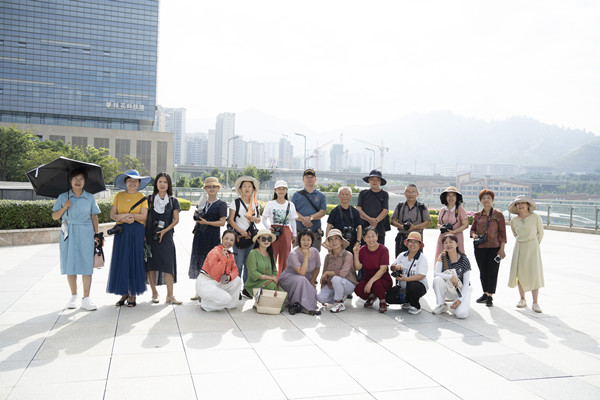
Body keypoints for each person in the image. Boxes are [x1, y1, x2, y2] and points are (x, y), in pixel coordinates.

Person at [51, 167, 101, 311]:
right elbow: (55, 216)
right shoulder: (63, 197)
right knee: (70, 264)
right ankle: (73, 296)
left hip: (86, 232)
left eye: (81, 179)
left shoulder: (90, 197)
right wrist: (64, 207)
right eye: (75, 179)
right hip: (68, 232)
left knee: (87, 264)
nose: (78, 182)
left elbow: (94, 216)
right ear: (70, 181)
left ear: (85, 181)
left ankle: (86, 298)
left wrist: (97, 235)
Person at [107, 169, 150, 307]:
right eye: (130, 180)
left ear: (139, 183)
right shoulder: (118, 196)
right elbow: (112, 214)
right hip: (122, 231)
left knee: (134, 260)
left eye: (135, 181)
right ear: (125, 182)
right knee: (122, 260)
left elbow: (143, 216)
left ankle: (132, 295)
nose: (132, 183)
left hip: (136, 232)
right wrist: (122, 218)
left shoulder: (142, 197)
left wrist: (126, 216)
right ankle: (123, 293)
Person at [145, 172, 182, 305]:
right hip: (150, 236)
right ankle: (154, 293)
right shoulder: (149, 199)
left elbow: (176, 219)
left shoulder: (173, 201)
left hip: (166, 236)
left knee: (168, 264)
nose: (162, 184)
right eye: (160, 181)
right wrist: (144, 235)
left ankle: (170, 295)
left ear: (169, 184)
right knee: (150, 264)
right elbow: (144, 218)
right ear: (156, 183)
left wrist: (165, 230)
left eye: (165, 182)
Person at [189, 177, 228, 300]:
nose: (212, 189)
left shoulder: (221, 204)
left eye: (214, 186)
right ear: (205, 189)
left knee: (212, 264)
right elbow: (196, 216)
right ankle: (199, 291)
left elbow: (222, 222)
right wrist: (196, 216)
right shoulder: (202, 202)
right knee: (200, 263)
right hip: (200, 235)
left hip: (212, 237)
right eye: (209, 187)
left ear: (218, 188)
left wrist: (207, 222)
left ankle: (210, 291)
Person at [470, 189, 507, 308]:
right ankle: (485, 293)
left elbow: (503, 234)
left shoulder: (498, 215)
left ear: (492, 200)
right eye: (483, 198)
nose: (486, 200)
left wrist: (502, 249)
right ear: (480, 200)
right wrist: (474, 235)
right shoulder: (477, 215)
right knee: (483, 271)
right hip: (480, 247)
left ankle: (490, 295)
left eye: (488, 198)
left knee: (492, 271)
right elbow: (472, 230)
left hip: (494, 247)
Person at [507, 195, 544, 313]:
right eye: (518, 204)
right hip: (519, 247)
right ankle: (522, 299)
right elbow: (515, 233)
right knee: (520, 273)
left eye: (523, 203)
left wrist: (534, 245)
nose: (520, 205)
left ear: (528, 205)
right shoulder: (514, 220)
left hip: (533, 248)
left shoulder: (536, 217)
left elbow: (540, 233)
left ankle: (535, 302)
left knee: (534, 273)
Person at [228, 176, 261, 292]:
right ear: (240, 189)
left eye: (249, 186)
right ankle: (235, 289)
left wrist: (254, 219)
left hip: (251, 238)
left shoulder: (255, 203)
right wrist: (240, 230)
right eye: (244, 186)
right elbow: (231, 219)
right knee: (238, 264)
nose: (247, 188)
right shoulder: (235, 203)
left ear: (253, 189)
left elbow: (259, 219)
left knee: (249, 264)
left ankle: (247, 288)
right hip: (239, 237)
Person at [195, 230, 242, 312]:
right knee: (226, 299)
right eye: (226, 238)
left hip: (218, 282)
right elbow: (214, 273)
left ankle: (229, 305)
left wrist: (229, 276)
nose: (228, 241)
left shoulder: (229, 254)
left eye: (231, 240)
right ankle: (205, 304)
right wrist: (223, 258)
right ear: (222, 238)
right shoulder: (214, 252)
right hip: (206, 283)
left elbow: (235, 270)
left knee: (237, 280)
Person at [279, 230, 322, 315]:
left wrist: (311, 281)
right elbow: (301, 273)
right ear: (299, 240)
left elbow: (317, 268)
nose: (306, 242)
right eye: (303, 240)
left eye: (308, 240)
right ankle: (301, 306)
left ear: (312, 241)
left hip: (305, 279)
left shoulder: (315, 251)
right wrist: (306, 256)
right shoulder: (293, 254)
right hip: (289, 279)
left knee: (310, 288)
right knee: (301, 279)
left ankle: (306, 306)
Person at [261, 180, 297, 275]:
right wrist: (269, 228)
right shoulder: (270, 204)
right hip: (273, 231)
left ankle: (282, 278)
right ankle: (270, 278)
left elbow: (293, 221)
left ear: (286, 190)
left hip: (286, 231)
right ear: (275, 190)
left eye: (283, 189)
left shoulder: (290, 205)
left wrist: (295, 234)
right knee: (271, 255)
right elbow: (264, 219)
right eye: (279, 189)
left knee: (285, 256)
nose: (281, 191)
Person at [353, 226, 393, 313]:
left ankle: (382, 301)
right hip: (368, 278)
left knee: (376, 283)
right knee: (358, 290)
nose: (371, 239)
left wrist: (370, 283)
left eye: (373, 236)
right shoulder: (362, 250)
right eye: (368, 237)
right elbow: (358, 267)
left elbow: (383, 269)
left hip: (383, 280)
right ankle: (372, 295)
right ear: (364, 238)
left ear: (377, 236)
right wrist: (356, 254)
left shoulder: (383, 250)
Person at [432, 234, 472, 319]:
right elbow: (435, 274)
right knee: (437, 279)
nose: (448, 245)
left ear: (457, 244)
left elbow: (466, 284)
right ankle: (442, 305)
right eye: (445, 243)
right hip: (449, 287)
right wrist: (450, 277)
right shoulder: (442, 256)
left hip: (461, 290)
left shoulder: (464, 260)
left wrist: (460, 300)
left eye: (451, 242)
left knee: (461, 314)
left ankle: (461, 302)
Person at [317, 229, 357, 313]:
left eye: (336, 238)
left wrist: (328, 273)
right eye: (331, 239)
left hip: (348, 285)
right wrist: (322, 289)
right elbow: (324, 276)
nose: (333, 241)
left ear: (341, 241)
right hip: (332, 285)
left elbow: (342, 273)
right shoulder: (328, 257)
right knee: (320, 298)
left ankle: (339, 303)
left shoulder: (348, 255)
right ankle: (339, 296)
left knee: (336, 278)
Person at [389, 232, 428, 315]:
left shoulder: (422, 258)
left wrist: (406, 279)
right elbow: (391, 268)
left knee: (412, 286)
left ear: (419, 245)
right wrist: (395, 267)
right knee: (389, 297)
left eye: (415, 242)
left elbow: (421, 276)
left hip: (418, 286)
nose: (412, 244)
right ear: (407, 243)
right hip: (403, 286)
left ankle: (416, 306)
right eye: (410, 242)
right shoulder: (402, 255)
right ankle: (407, 300)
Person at [291, 169, 327, 250]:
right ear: (303, 180)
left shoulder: (321, 196)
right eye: (307, 177)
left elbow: (322, 212)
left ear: (315, 180)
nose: (309, 179)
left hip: (315, 233)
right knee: (297, 256)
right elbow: (292, 211)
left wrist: (310, 218)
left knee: (314, 255)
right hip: (299, 232)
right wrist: (304, 220)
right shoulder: (296, 195)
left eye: (311, 177)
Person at [391, 184, 430, 257]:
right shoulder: (400, 206)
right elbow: (393, 221)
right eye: (408, 192)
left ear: (417, 193)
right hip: (402, 238)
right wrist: (401, 226)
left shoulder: (422, 206)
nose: (410, 194)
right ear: (404, 193)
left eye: (413, 192)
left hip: (416, 238)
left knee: (416, 260)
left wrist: (414, 227)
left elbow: (427, 223)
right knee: (400, 260)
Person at [434, 186, 469, 261]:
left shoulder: (460, 209)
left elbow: (466, 225)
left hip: (456, 238)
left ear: (457, 198)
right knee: (441, 259)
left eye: (453, 195)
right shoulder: (442, 210)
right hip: (443, 238)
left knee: (456, 259)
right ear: (445, 197)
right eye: (448, 195)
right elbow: (438, 223)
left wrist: (454, 232)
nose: (451, 198)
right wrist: (441, 227)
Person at [357, 169, 390, 245]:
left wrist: (376, 221)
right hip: (365, 226)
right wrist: (369, 220)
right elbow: (358, 208)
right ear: (368, 180)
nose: (375, 181)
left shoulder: (384, 194)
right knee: (364, 248)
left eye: (377, 179)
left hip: (379, 227)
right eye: (372, 179)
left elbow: (385, 210)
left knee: (379, 248)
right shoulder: (363, 193)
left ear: (380, 182)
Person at [325, 186, 362, 252]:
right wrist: (328, 242)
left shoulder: (355, 211)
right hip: (336, 242)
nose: (344, 196)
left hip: (352, 242)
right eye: (342, 194)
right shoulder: (334, 211)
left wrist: (358, 241)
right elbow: (329, 227)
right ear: (338, 196)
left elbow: (359, 227)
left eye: (347, 194)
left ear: (350, 196)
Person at [244, 229, 280, 296]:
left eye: (269, 239)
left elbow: (275, 271)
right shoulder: (253, 254)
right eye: (263, 239)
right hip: (255, 284)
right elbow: (253, 273)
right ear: (258, 240)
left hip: (269, 282)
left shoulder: (270, 254)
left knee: (283, 290)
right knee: (273, 287)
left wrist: (273, 278)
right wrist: (270, 278)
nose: (266, 241)